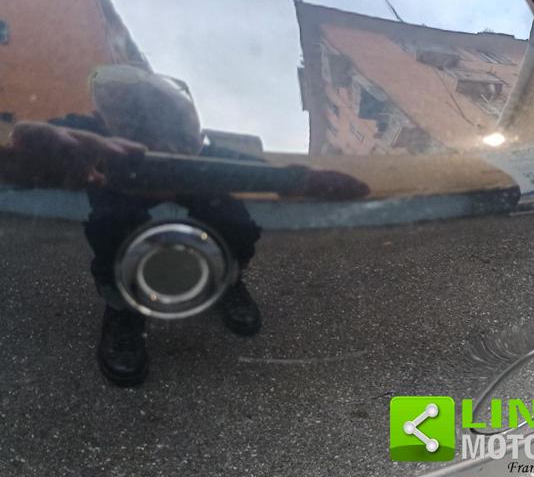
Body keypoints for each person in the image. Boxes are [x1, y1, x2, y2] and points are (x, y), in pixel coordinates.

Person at [0, 65, 370, 387]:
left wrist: (303, 179)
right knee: (111, 224)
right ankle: (122, 306)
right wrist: (31, 143)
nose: (137, 119)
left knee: (233, 220)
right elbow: (38, 139)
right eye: (123, 108)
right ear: (106, 111)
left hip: (188, 179)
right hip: (121, 185)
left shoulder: (188, 142)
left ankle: (229, 280)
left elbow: (236, 165)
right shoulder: (91, 130)